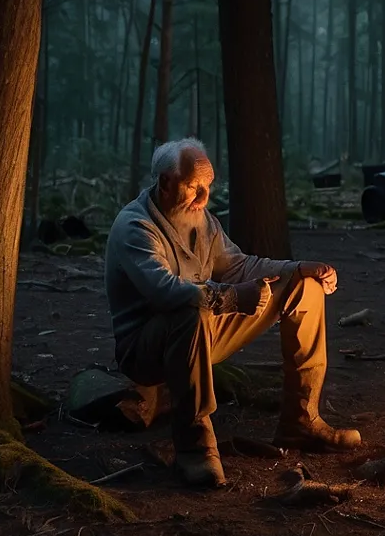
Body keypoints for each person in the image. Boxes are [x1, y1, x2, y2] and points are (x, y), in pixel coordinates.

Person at [105, 137, 361, 488]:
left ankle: (301, 422)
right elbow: (165, 292)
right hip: (147, 351)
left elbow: (239, 266)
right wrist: (231, 299)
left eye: (208, 187)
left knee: (305, 287)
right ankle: (194, 449)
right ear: (165, 182)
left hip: (202, 332)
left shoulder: (202, 220)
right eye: (195, 187)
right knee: (188, 310)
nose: (204, 198)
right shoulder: (135, 228)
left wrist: (299, 268)